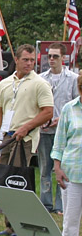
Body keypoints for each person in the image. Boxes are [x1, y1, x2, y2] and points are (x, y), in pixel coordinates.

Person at [0, 44, 54, 236]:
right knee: (4, 182)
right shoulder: (5, 83)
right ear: (16, 60)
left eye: (32, 60)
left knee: (17, 182)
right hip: (6, 137)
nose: (29, 63)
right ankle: (9, 225)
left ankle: (22, 226)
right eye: (25, 59)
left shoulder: (40, 83)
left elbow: (48, 111)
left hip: (25, 139)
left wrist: (27, 127)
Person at [38, 44, 78, 214]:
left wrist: (61, 119)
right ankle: (46, 205)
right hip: (44, 130)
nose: (52, 60)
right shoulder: (40, 78)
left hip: (65, 132)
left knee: (61, 169)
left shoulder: (73, 78)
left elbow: (77, 104)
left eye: (55, 56)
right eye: (49, 56)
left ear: (64, 58)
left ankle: (61, 205)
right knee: (44, 169)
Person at [50, 75, 82, 236]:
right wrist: (57, 166)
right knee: (70, 219)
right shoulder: (69, 108)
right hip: (72, 171)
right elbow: (60, 141)